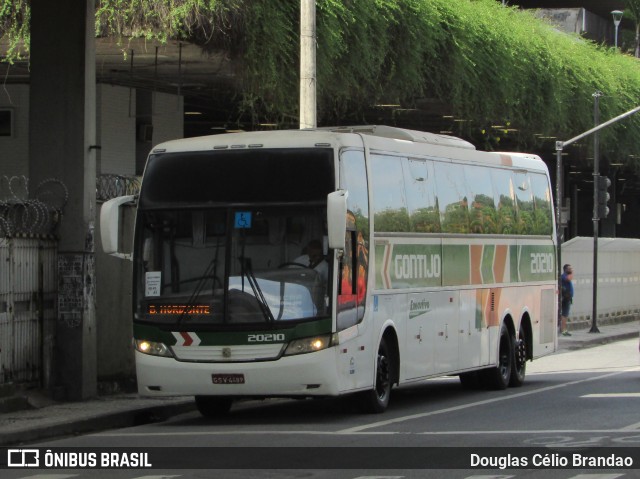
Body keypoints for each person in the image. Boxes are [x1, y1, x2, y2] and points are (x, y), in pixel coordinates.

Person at [561, 264, 574, 336]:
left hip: (568, 298)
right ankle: (563, 330)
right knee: (564, 314)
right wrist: (571, 272)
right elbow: (569, 279)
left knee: (565, 315)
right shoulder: (564, 276)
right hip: (565, 298)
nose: (571, 269)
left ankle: (564, 329)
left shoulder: (566, 275)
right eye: (569, 268)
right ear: (565, 269)